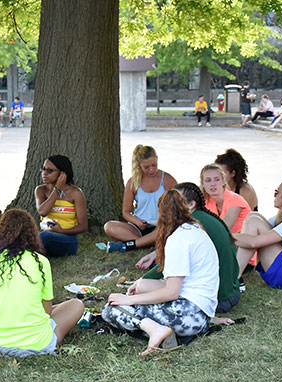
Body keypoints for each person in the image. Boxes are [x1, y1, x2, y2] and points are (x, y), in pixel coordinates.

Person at [102, 190, 219, 356]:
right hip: (201, 314)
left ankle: (156, 329)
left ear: (161, 213)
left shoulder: (177, 239)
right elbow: (179, 284)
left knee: (111, 309)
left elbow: (172, 292)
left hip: (190, 317)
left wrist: (129, 299)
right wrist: (141, 285)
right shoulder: (195, 229)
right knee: (142, 286)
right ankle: (158, 327)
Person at [0, 209, 84, 356]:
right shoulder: (41, 262)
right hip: (37, 342)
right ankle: (40, 340)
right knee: (76, 304)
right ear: (32, 235)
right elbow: (47, 311)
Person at [137, 183, 241, 313]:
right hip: (232, 291)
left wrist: (141, 281)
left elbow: (168, 264)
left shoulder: (187, 225)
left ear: (191, 204)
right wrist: (155, 255)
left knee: (145, 286)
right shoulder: (200, 219)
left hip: (215, 300)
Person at [104, 144, 177, 251]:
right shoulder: (133, 182)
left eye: (154, 165)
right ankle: (147, 243)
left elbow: (180, 204)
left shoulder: (167, 179)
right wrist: (137, 221)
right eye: (146, 167)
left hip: (161, 225)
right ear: (138, 165)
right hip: (139, 227)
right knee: (109, 226)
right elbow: (126, 212)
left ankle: (135, 244)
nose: (151, 170)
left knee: (167, 229)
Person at [35, 155, 88, 256]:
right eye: (43, 169)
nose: (44, 173)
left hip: (67, 239)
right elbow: (43, 211)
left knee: (44, 236)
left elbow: (83, 226)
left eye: (50, 171)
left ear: (62, 174)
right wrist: (57, 190)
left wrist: (62, 231)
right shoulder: (40, 190)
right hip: (44, 236)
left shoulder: (75, 193)